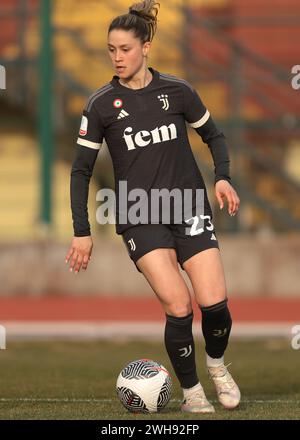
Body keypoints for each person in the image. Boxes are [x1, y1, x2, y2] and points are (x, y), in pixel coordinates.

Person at [66, 0, 241, 414]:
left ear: (145, 47)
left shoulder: (178, 91)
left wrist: (222, 176)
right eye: (111, 49)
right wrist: (82, 230)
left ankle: (216, 366)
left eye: (125, 49)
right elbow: (80, 172)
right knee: (178, 305)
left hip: (189, 206)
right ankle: (193, 393)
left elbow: (214, 136)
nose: (117, 57)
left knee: (215, 304)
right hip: (140, 215)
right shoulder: (100, 105)